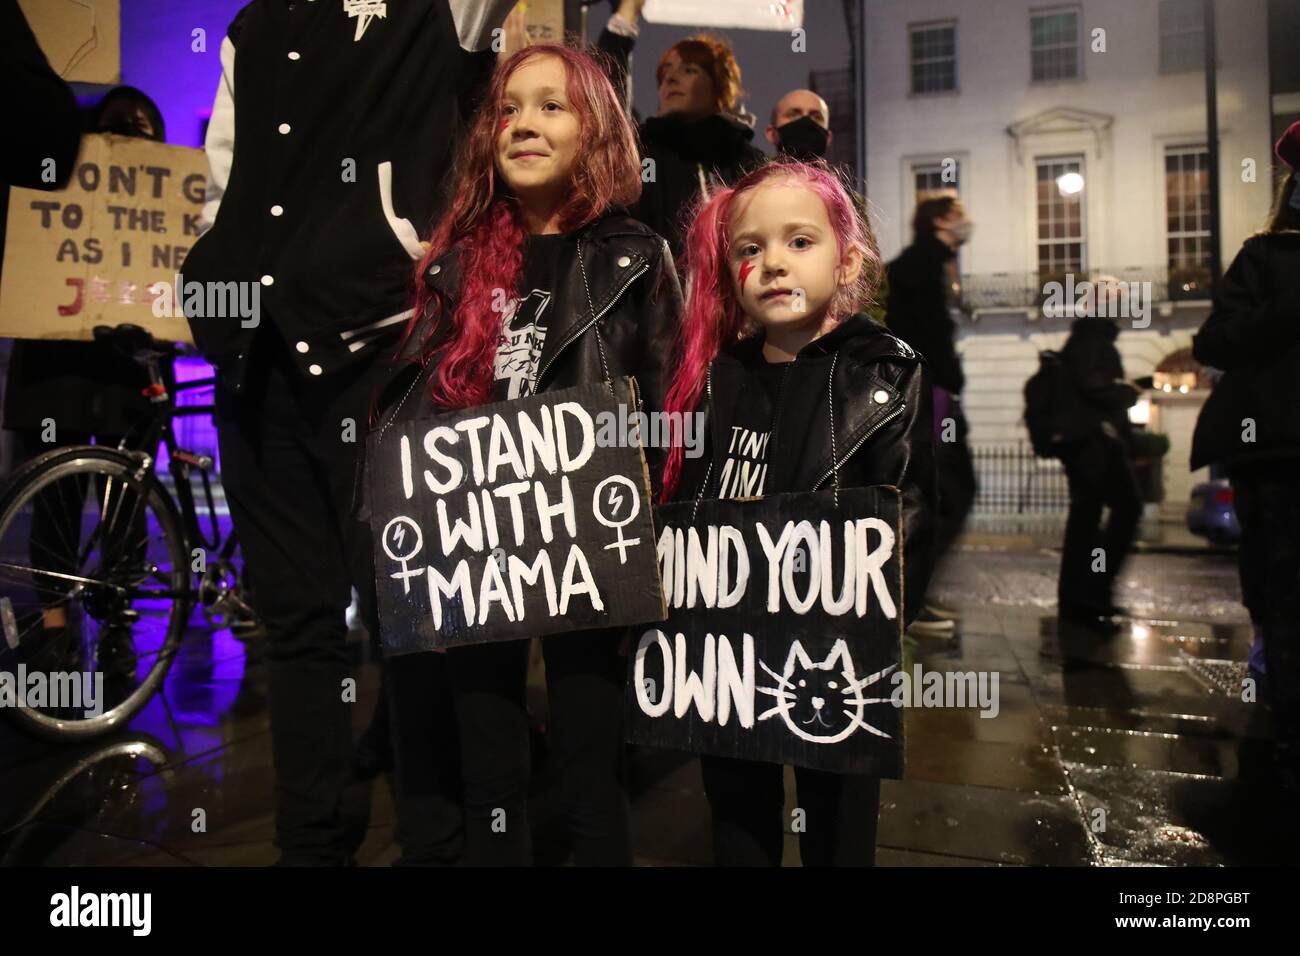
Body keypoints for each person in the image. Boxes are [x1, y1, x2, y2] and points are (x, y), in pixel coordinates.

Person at [182, 0, 516, 867]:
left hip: (382, 358)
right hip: (259, 361)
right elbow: (227, 174)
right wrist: (212, 272)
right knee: (296, 627)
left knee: (413, 621)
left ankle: (434, 841)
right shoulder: (250, 25)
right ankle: (310, 845)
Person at [368, 43, 682, 866]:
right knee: (491, 772)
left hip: (591, 552)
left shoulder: (635, 257)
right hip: (479, 554)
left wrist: (660, 533)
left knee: (589, 770)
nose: (523, 125)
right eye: (508, 109)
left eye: (551, 106)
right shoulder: (459, 262)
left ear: (596, 131)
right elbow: (413, 405)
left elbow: (678, 409)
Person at [659, 159, 936, 866]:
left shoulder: (884, 371)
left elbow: (910, 509)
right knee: (738, 823)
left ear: (847, 260)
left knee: (838, 828)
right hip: (729, 662)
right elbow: (686, 502)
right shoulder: (718, 379)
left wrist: (879, 623)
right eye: (750, 249)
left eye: (799, 242)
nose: (772, 263)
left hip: (835, 659)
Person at [3, 87, 170, 658]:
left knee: (127, 499)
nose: (134, 128)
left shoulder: (163, 203)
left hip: (126, 371)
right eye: (121, 120)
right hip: (59, 370)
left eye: (146, 121)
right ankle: (54, 626)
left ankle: (118, 617)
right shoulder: (46, 181)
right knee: (57, 499)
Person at [1190, 119, 1300, 792]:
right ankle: (1289, 729)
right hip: (1279, 451)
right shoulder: (1267, 258)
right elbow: (1215, 341)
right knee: (1281, 590)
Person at [597, 2, 766, 259]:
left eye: (689, 70)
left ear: (720, 88)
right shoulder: (642, 149)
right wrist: (626, 14)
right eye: (665, 73)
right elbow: (604, 92)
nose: (671, 79)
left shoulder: (747, 161)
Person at [883, 192, 975, 634]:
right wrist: (945, 380)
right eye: (958, 214)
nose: (966, 221)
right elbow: (926, 333)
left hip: (935, 388)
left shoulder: (933, 263)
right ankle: (905, 594)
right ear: (940, 221)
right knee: (947, 490)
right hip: (932, 392)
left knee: (945, 490)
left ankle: (909, 592)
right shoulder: (920, 265)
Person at [1053, 308, 1141, 634]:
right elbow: (1095, 386)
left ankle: (1082, 596)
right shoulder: (1092, 340)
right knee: (1123, 508)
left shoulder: (1085, 339)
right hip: (1093, 443)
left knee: (1087, 517)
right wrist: (1128, 391)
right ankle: (1090, 592)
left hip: (1087, 442)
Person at [766, 89, 833, 161]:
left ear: (828, 138)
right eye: (793, 115)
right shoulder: (759, 172)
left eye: (816, 117)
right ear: (772, 134)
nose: (805, 120)